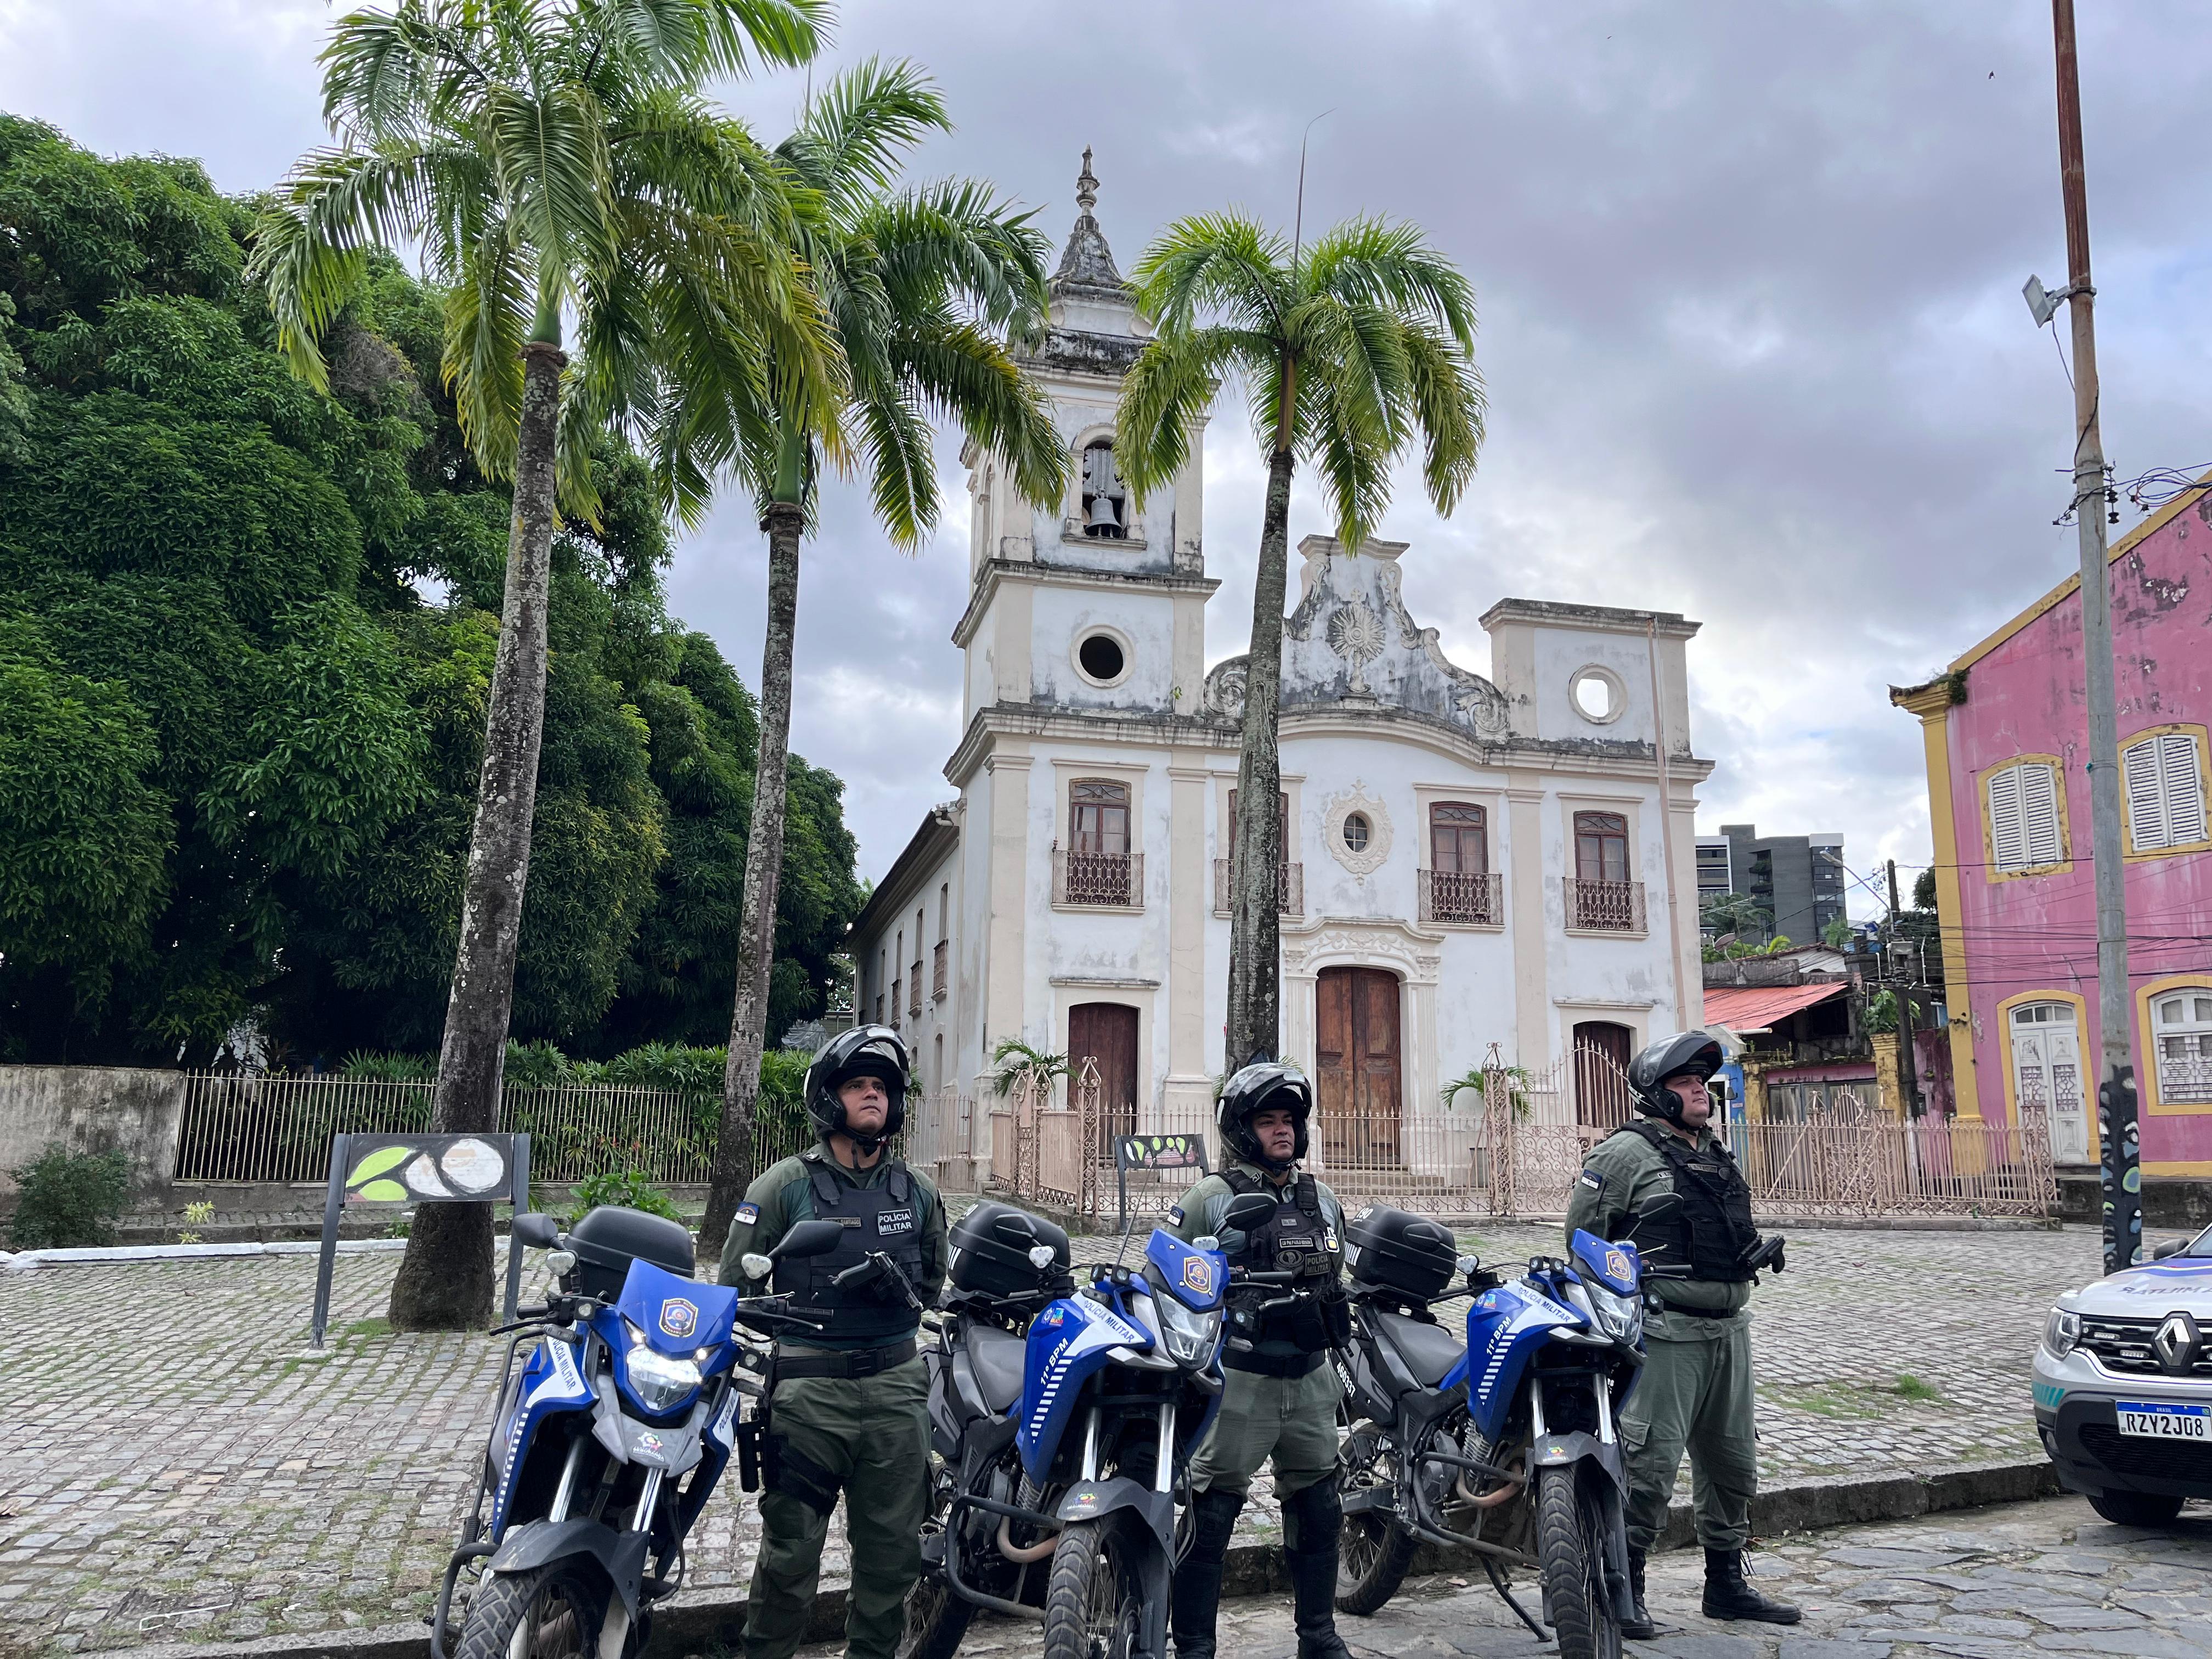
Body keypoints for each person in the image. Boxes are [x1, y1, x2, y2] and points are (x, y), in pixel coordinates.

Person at [719, 1025, 947, 1659]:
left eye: (881, 1086)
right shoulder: (784, 1185)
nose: (872, 1096)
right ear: (829, 1099)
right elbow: (736, 1284)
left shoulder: (919, 1192)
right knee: (790, 1555)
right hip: (810, 1395)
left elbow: (932, 1283)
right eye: (857, 1085)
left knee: (893, 1559)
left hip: (898, 1394)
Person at [1565, 1030, 1799, 1636]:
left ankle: (1726, 1584)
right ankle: (1626, 1584)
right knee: (1649, 1467)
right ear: (1658, 1096)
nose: (1701, 1090)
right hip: (1665, 1333)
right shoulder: (1622, 1156)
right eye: (1686, 1083)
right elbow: (1584, 1245)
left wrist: (1750, 1254)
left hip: (1729, 1329)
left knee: (1733, 1463)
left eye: (1702, 1082)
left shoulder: (1714, 1152)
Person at [1167, 1061, 1354, 1659]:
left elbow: (1338, 1271)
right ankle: (1194, 1646)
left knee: (1320, 1507)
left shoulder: (1321, 1198)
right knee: (1213, 1512)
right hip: (1240, 1381)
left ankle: (1318, 1637)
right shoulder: (1210, 1199)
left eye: (1290, 1121)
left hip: (1311, 1378)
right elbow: (1166, 1276)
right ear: (1243, 1130)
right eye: (1269, 1121)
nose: (1282, 1131)